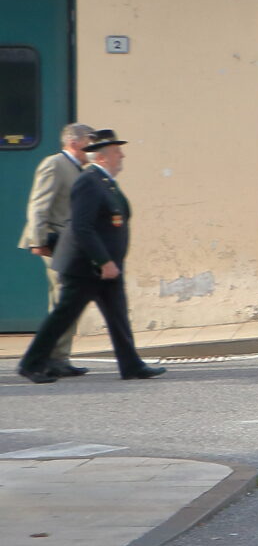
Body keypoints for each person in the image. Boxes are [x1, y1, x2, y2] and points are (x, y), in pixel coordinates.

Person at [17, 129, 164, 383]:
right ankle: (31, 363)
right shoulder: (89, 181)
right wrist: (103, 261)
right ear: (104, 157)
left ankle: (131, 365)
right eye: (118, 152)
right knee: (63, 315)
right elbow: (82, 227)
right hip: (86, 267)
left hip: (105, 267)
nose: (122, 156)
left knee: (117, 316)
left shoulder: (105, 181)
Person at [17, 123, 93, 378]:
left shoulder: (78, 169)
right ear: (75, 142)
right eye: (89, 141)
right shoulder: (54, 164)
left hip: (69, 243)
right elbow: (39, 204)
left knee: (67, 300)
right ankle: (48, 358)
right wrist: (38, 240)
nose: (93, 148)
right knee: (63, 299)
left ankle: (60, 357)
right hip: (53, 242)